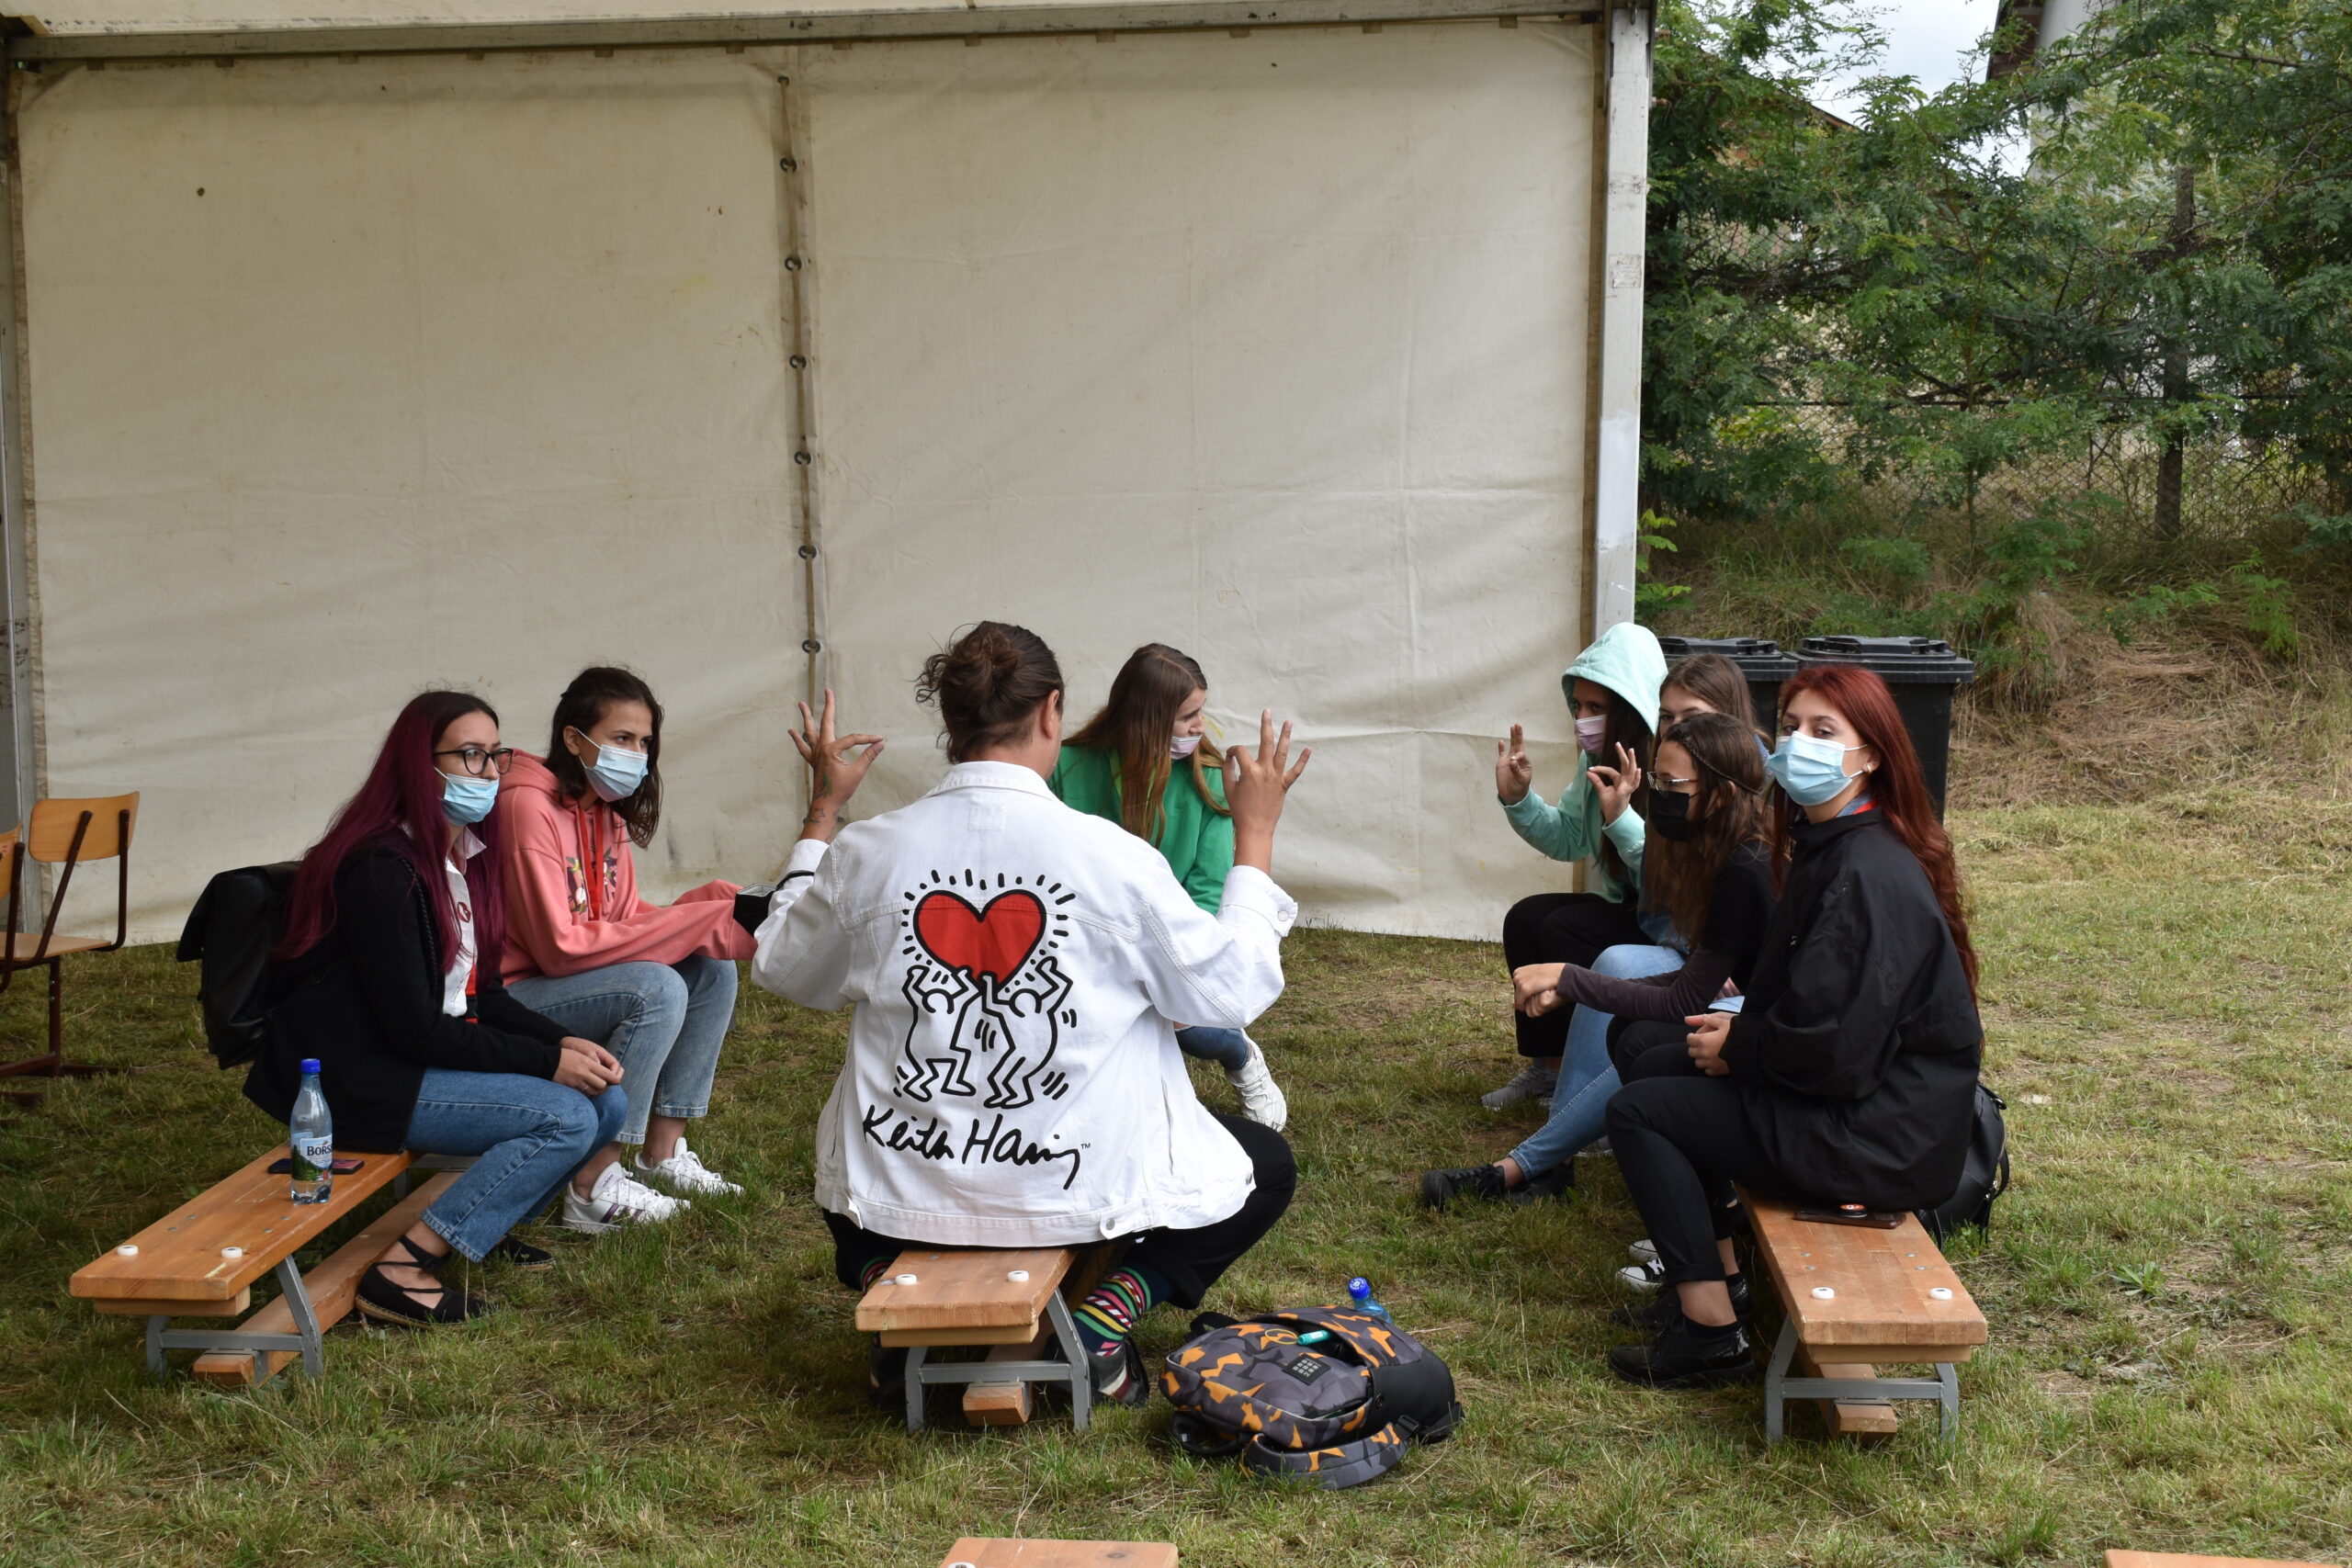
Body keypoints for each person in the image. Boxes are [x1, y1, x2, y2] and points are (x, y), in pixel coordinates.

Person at [750, 623, 1310, 1409]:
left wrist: (823, 813)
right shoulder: (1113, 859)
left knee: (844, 1170)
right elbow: (1231, 990)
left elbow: (780, 963)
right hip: (1076, 1188)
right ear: (1051, 711)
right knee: (1266, 1166)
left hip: (908, 1191)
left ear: (952, 723)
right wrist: (1255, 832)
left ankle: (889, 1297)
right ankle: (1107, 1318)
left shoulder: (868, 851)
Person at [1600, 664, 1984, 1388]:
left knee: (1640, 1110)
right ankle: (1722, 1280)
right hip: (1855, 1104)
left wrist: (1741, 1047)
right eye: (1793, 725)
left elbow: (1840, 1053)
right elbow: (1816, 1013)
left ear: (1871, 755)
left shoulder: (1863, 873)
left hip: (1878, 1138)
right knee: (1656, 1063)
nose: (1799, 742)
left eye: (1824, 730)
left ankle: (1711, 1331)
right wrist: (1738, 1039)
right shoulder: (1833, 840)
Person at [247, 691, 629, 1325]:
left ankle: (485, 1221)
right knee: (564, 1116)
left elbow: (485, 997)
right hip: (359, 1079)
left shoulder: (464, 857)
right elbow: (415, 1030)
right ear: (419, 765)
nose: (489, 772)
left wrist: (560, 1042)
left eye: (496, 755)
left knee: (606, 1102)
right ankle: (401, 1270)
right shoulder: (380, 868)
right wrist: (545, 1063)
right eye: (470, 755)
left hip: (412, 1057)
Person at [1420, 712, 1774, 1209]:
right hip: (1751, 1016)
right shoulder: (1727, 855)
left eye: (1672, 784)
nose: (1659, 795)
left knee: (1645, 1040)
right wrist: (1575, 984)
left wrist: (1570, 978)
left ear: (1722, 794)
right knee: (1630, 1022)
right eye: (1657, 781)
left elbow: (1685, 1000)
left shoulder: (1745, 868)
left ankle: (1529, 1169)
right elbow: (1691, 986)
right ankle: (1533, 1167)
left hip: (1773, 1036)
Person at [497, 667, 754, 1226]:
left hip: (567, 982)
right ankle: (594, 1183)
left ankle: (662, 1153)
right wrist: (694, 922)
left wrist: (697, 908)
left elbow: (621, 919)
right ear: (573, 738)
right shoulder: (526, 808)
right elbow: (560, 950)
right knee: (655, 987)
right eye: (621, 738)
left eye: (643, 742)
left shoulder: (603, 811)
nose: (636, 755)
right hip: (513, 996)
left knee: (710, 967)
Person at [1050, 643, 1286, 1130]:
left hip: (1171, 938)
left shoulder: (1212, 781)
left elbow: (1208, 892)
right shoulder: (1066, 767)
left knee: (1187, 1024)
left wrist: (1168, 973)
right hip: (1084, 938)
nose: (1200, 727)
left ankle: (1241, 1056)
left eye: (1200, 711)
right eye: (1187, 716)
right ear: (1145, 721)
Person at [1485, 621, 1668, 1110]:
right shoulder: (1594, 760)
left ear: (1631, 707)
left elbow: (1670, 877)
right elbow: (1568, 838)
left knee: (1566, 928)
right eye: (1578, 706)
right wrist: (1519, 799)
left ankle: (1588, 1078)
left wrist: (1622, 818)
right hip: (1631, 907)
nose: (1581, 719)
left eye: (1596, 708)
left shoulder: (1669, 768)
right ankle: (1549, 1069)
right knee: (1526, 918)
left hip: (1670, 922)